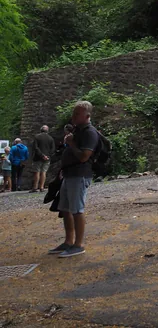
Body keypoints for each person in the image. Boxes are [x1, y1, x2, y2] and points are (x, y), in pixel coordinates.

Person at [48, 101, 99, 258]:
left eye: (77, 114)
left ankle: (78, 245)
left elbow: (84, 157)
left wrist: (71, 143)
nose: (73, 116)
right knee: (65, 208)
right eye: (74, 113)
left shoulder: (90, 132)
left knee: (77, 210)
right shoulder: (78, 130)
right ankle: (68, 242)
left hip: (80, 174)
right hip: (69, 174)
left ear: (87, 116)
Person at [30, 125, 55, 192]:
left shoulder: (37, 137)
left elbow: (36, 147)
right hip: (47, 158)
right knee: (44, 172)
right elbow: (52, 149)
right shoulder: (50, 138)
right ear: (47, 131)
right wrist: (47, 156)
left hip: (38, 157)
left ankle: (35, 187)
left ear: (41, 130)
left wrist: (42, 155)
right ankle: (41, 187)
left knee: (37, 172)